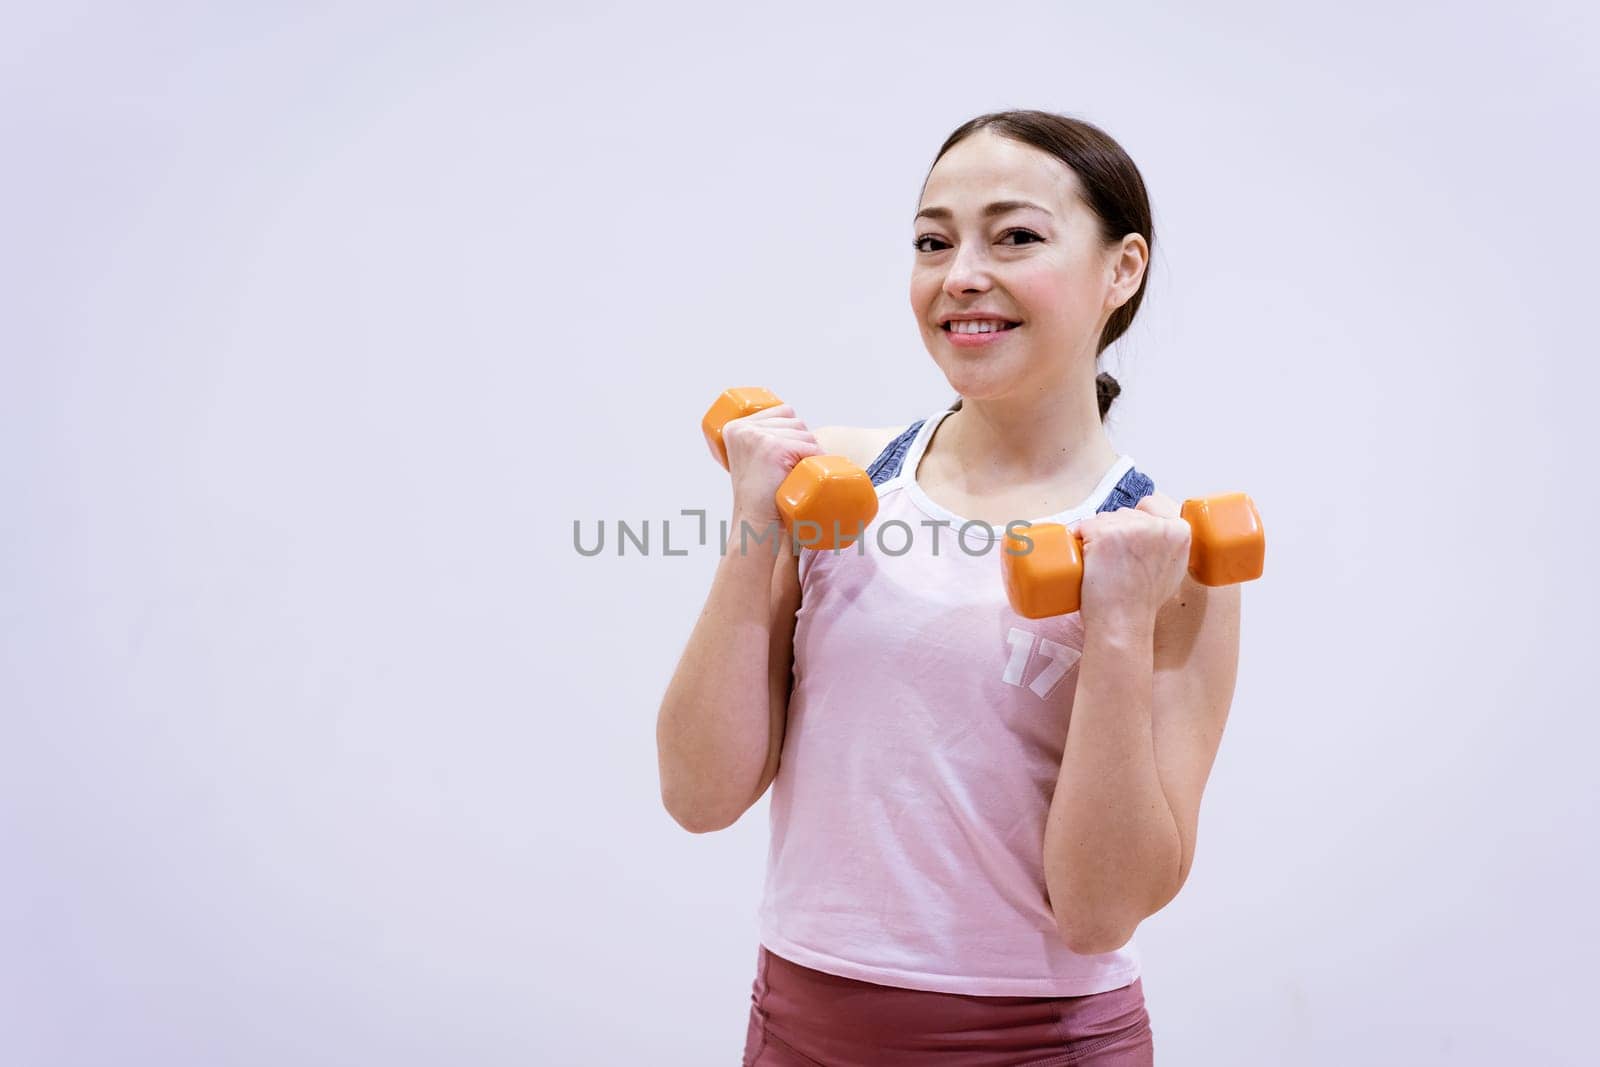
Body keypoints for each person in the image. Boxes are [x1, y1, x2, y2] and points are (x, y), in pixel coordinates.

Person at [657, 109, 1242, 1066]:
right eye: (934, 242)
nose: (961, 273)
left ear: (1121, 269)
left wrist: (1123, 626)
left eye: (1015, 236)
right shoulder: (828, 485)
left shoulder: (1170, 556)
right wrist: (754, 524)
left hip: (1037, 1043)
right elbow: (699, 791)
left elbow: (1098, 913)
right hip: (799, 1024)